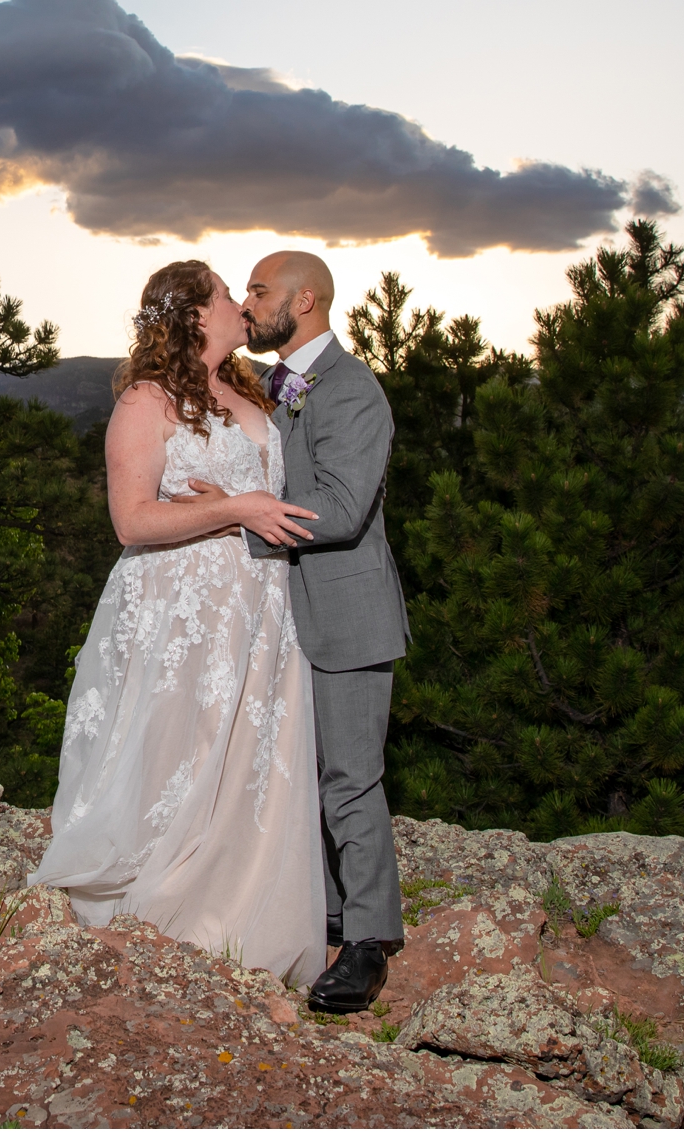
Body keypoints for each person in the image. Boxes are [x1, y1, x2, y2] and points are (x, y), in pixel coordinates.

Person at [28, 260, 329, 984]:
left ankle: (246, 926)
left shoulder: (248, 390)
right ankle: (159, 911)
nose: (239, 303)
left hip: (260, 607)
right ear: (195, 315)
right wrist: (236, 507)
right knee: (180, 752)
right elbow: (132, 520)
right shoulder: (147, 400)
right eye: (228, 292)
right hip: (182, 609)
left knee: (249, 760)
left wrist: (242, 501)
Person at [213, 249, 408, 1015]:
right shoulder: (272, 383)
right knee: (300, 768)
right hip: (284, 614)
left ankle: (367, 940)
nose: (250, 300)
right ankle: (322, 908)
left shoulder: (355, 391)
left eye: (260, 289)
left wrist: (243, 520)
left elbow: (343, 506)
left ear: (307, 301)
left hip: (349, 615)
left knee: (349, 776)